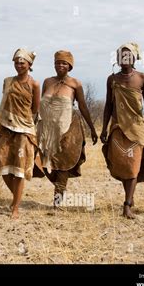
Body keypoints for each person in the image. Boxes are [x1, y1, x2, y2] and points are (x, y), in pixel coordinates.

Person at [101, 42, 144, 219]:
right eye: (121, 55)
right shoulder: (112, 79)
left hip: (136, 127)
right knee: (122, 164)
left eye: (128, 55)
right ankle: (130, 195)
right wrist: (104, 128)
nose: (124, 58)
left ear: (135, 58)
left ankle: (127, 205)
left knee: (133, 165)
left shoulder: (142, 78)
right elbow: (108, 105)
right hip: (117, 126)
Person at [36, 50, 98, 206]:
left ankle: (57, 200)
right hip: (46, 130)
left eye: (64, 63)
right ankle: (59, 187)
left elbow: (83, 106)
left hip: (67, 129)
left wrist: (92, 128)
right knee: (44, 163)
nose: (60, 66)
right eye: (57, 62)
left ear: (70, 66)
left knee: (63, 164)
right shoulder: (47, 82)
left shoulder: (75, 84)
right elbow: (40, 106)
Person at [0, 48, 41, 219]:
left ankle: (16, 207)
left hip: (25, 129)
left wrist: (22, 118)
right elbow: (4, 103)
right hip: (7, 127)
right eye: (16, 62)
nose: (19, 65)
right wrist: (3, 126)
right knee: (2, 163)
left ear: (29, 65)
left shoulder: (34, 84)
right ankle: (17, 197)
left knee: (19, 168)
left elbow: (35, 108)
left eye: (23, 62)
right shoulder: (7, 81)